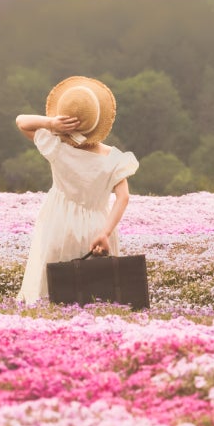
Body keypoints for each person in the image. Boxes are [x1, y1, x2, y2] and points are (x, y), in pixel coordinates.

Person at [13, 77, 138, 305]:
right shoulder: (115, 159)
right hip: (98, 225)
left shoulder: (56, 147)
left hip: (58, 222)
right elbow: (123, 197)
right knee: (99, 290)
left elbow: (21, 121)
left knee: (53, 287)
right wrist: (105, 233)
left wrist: (52, 124)